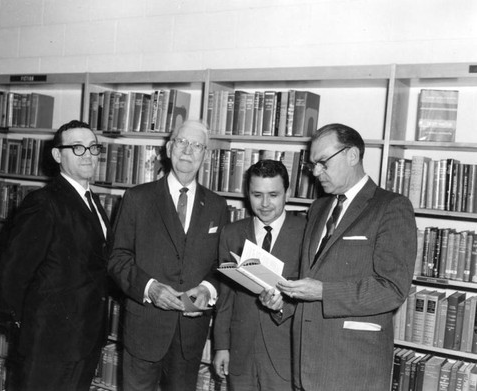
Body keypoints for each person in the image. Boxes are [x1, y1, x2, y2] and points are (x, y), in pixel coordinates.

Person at [261, 123, 417, 390]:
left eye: (323, 162)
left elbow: (392, 289)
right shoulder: (319, 207)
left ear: (352, 155)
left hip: (352, 369)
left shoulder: (391, 206)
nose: (316, 172)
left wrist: (323, 292)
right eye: (313, 165)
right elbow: (310, 279)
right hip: (305, 366)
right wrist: (282, 302)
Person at [108, 119, 229, 391]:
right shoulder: (137, 198)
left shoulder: (217, 205)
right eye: (182, 142)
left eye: (197, 145)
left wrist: (208, 289)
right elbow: (117, 259)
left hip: (190, 333)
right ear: (169, 146)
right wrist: (150, 288)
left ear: (205, 155)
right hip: (144, 329)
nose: (188, 151)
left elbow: (221, 264)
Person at [0, 120, 113, 391]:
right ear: (57, 155)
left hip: (86, 339)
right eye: (77, 147)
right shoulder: (44, 202)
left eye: (93, 147)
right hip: (49, 346)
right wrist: (33, 326)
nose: (88, 154)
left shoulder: (92, 200)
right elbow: (12, 275)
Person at [212, 159, 305, 391]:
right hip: (241, 351)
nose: (265, 204)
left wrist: (284, 304)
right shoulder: (231, 233)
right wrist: (221, 346)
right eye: (257, 195)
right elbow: (225, 297)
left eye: (273, 195)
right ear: (247, 193)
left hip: (287, 353)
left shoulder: (307, 233)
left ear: (288, 193)